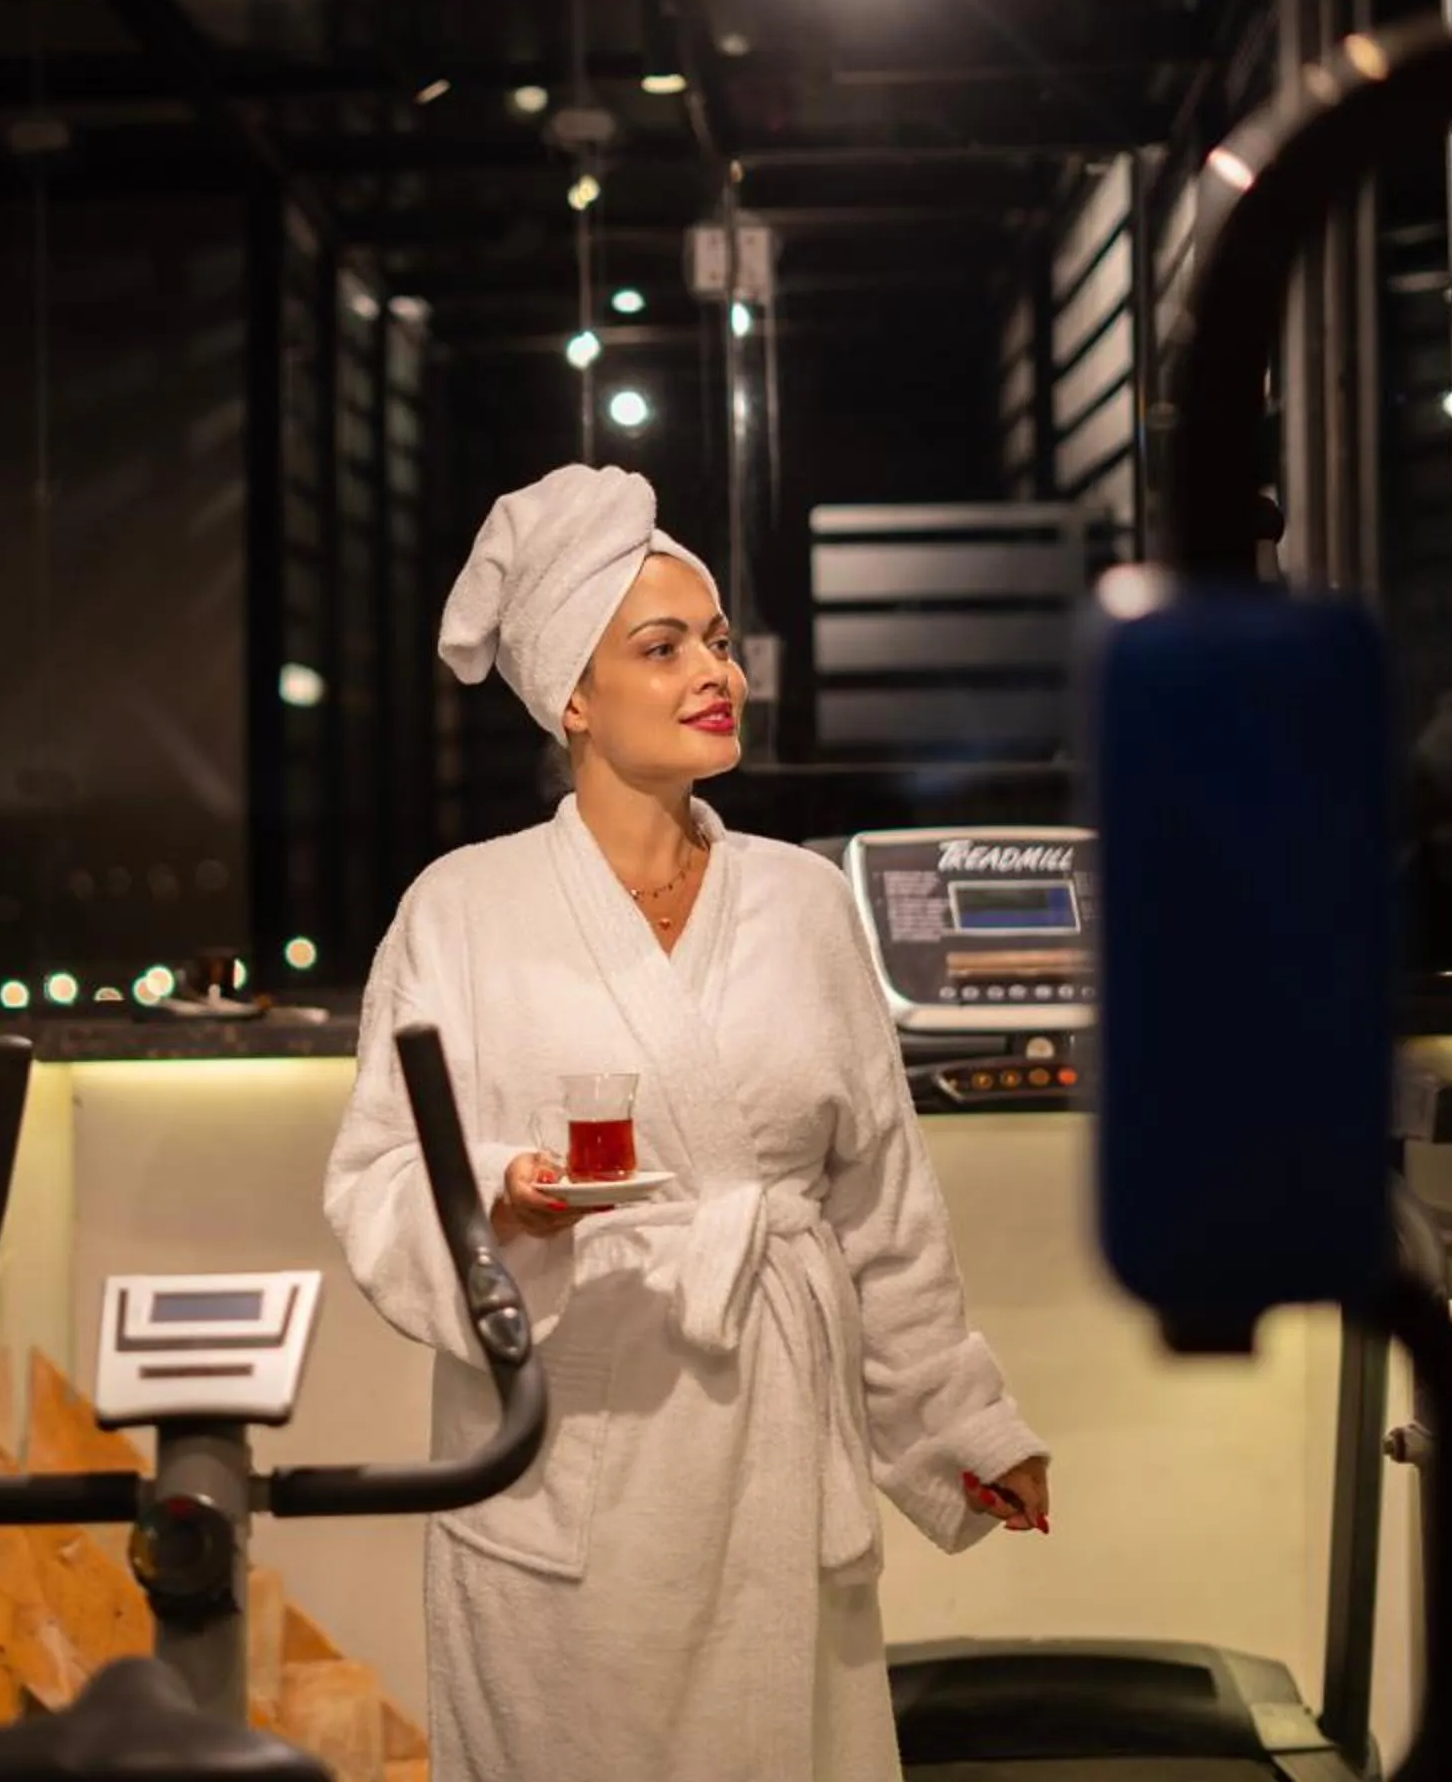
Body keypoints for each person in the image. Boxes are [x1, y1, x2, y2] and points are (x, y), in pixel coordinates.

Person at [323, 463, 1052, 1782]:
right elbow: (380, 1173)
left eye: (716, 642)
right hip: (564, 1471)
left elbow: (880, 1208)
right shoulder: (461, 911)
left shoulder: (805, 905)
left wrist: (958, 1429)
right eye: (660, 648)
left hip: (773, 1448)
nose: (714, 672)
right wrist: (501, 1198)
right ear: (574, 698)